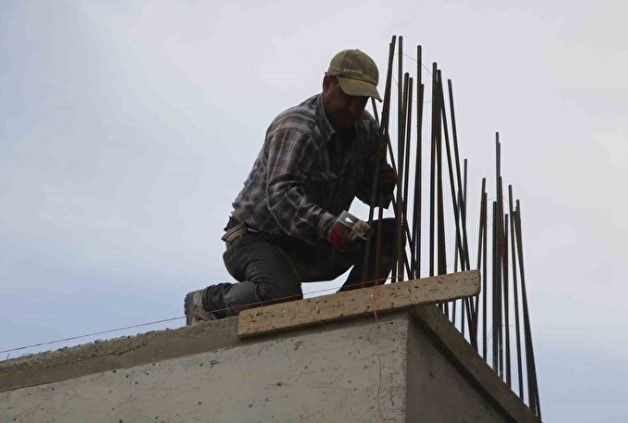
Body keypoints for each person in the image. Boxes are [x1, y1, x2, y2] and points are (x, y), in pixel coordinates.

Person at [185, 49, 398, 324]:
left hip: (310, 242)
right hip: (255, 238)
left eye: (362, 101)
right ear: (327, 84)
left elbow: (372, 196)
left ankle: (344, 315)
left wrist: (381, 184)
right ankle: (208, 302)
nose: (354, 109)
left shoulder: (366, 130)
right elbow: (281, 196)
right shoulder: (297, 128)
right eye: (348, 98)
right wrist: (331, 227)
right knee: (283, 301)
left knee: (390, 236)